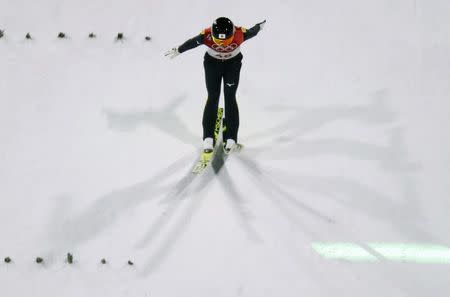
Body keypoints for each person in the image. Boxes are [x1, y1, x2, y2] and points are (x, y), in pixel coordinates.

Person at [165, 17, 266, 154]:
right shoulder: (206, 34)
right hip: (213, 64)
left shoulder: (240, 33)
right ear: (212, 34)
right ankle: (208, 138)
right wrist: (179, 49)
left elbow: (253, 31)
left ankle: (230, 139)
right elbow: (192, 43)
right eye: (218, 41)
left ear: (233, 35)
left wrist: (259, 26)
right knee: (213, 96)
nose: (222, 45)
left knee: (229, 97)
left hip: (232, 65)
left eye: (227, 41)